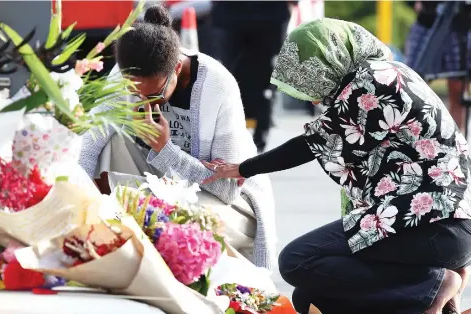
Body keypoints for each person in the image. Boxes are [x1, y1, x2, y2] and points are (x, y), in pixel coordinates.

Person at [202, 18, 471, 314]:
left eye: (312, 78)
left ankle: (434, 284)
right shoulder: (391, 73)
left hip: (432, 224)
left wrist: (242, 168)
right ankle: (435, 300)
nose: (315, 96)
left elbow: (311, 143)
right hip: (435, 226)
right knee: (311, 297)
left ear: (331, 61)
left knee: (298, 260)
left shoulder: (374, 80)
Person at [78, 5, 276, 269]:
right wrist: (77, 199)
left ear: (176, 68)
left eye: (155, 94)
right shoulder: (127, 76)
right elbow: (90, 142)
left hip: (225, 204)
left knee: (173, 222)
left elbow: (226, 190)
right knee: (109, 139)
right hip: (162, 185)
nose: (147, 102)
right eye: (136, 94)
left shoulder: (217, 85)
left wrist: (165, 149)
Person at [209, 1, 296, 152]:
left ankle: (231, 137)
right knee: (266, 81)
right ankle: (258, 139)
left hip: (232, 14)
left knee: (228, 77)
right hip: (269, 15)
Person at [405, 1, 471, 132]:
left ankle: (457, 137)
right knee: (412, 84)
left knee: (457, 89)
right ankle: (414, 133)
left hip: (458, 27)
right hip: (427, 23)